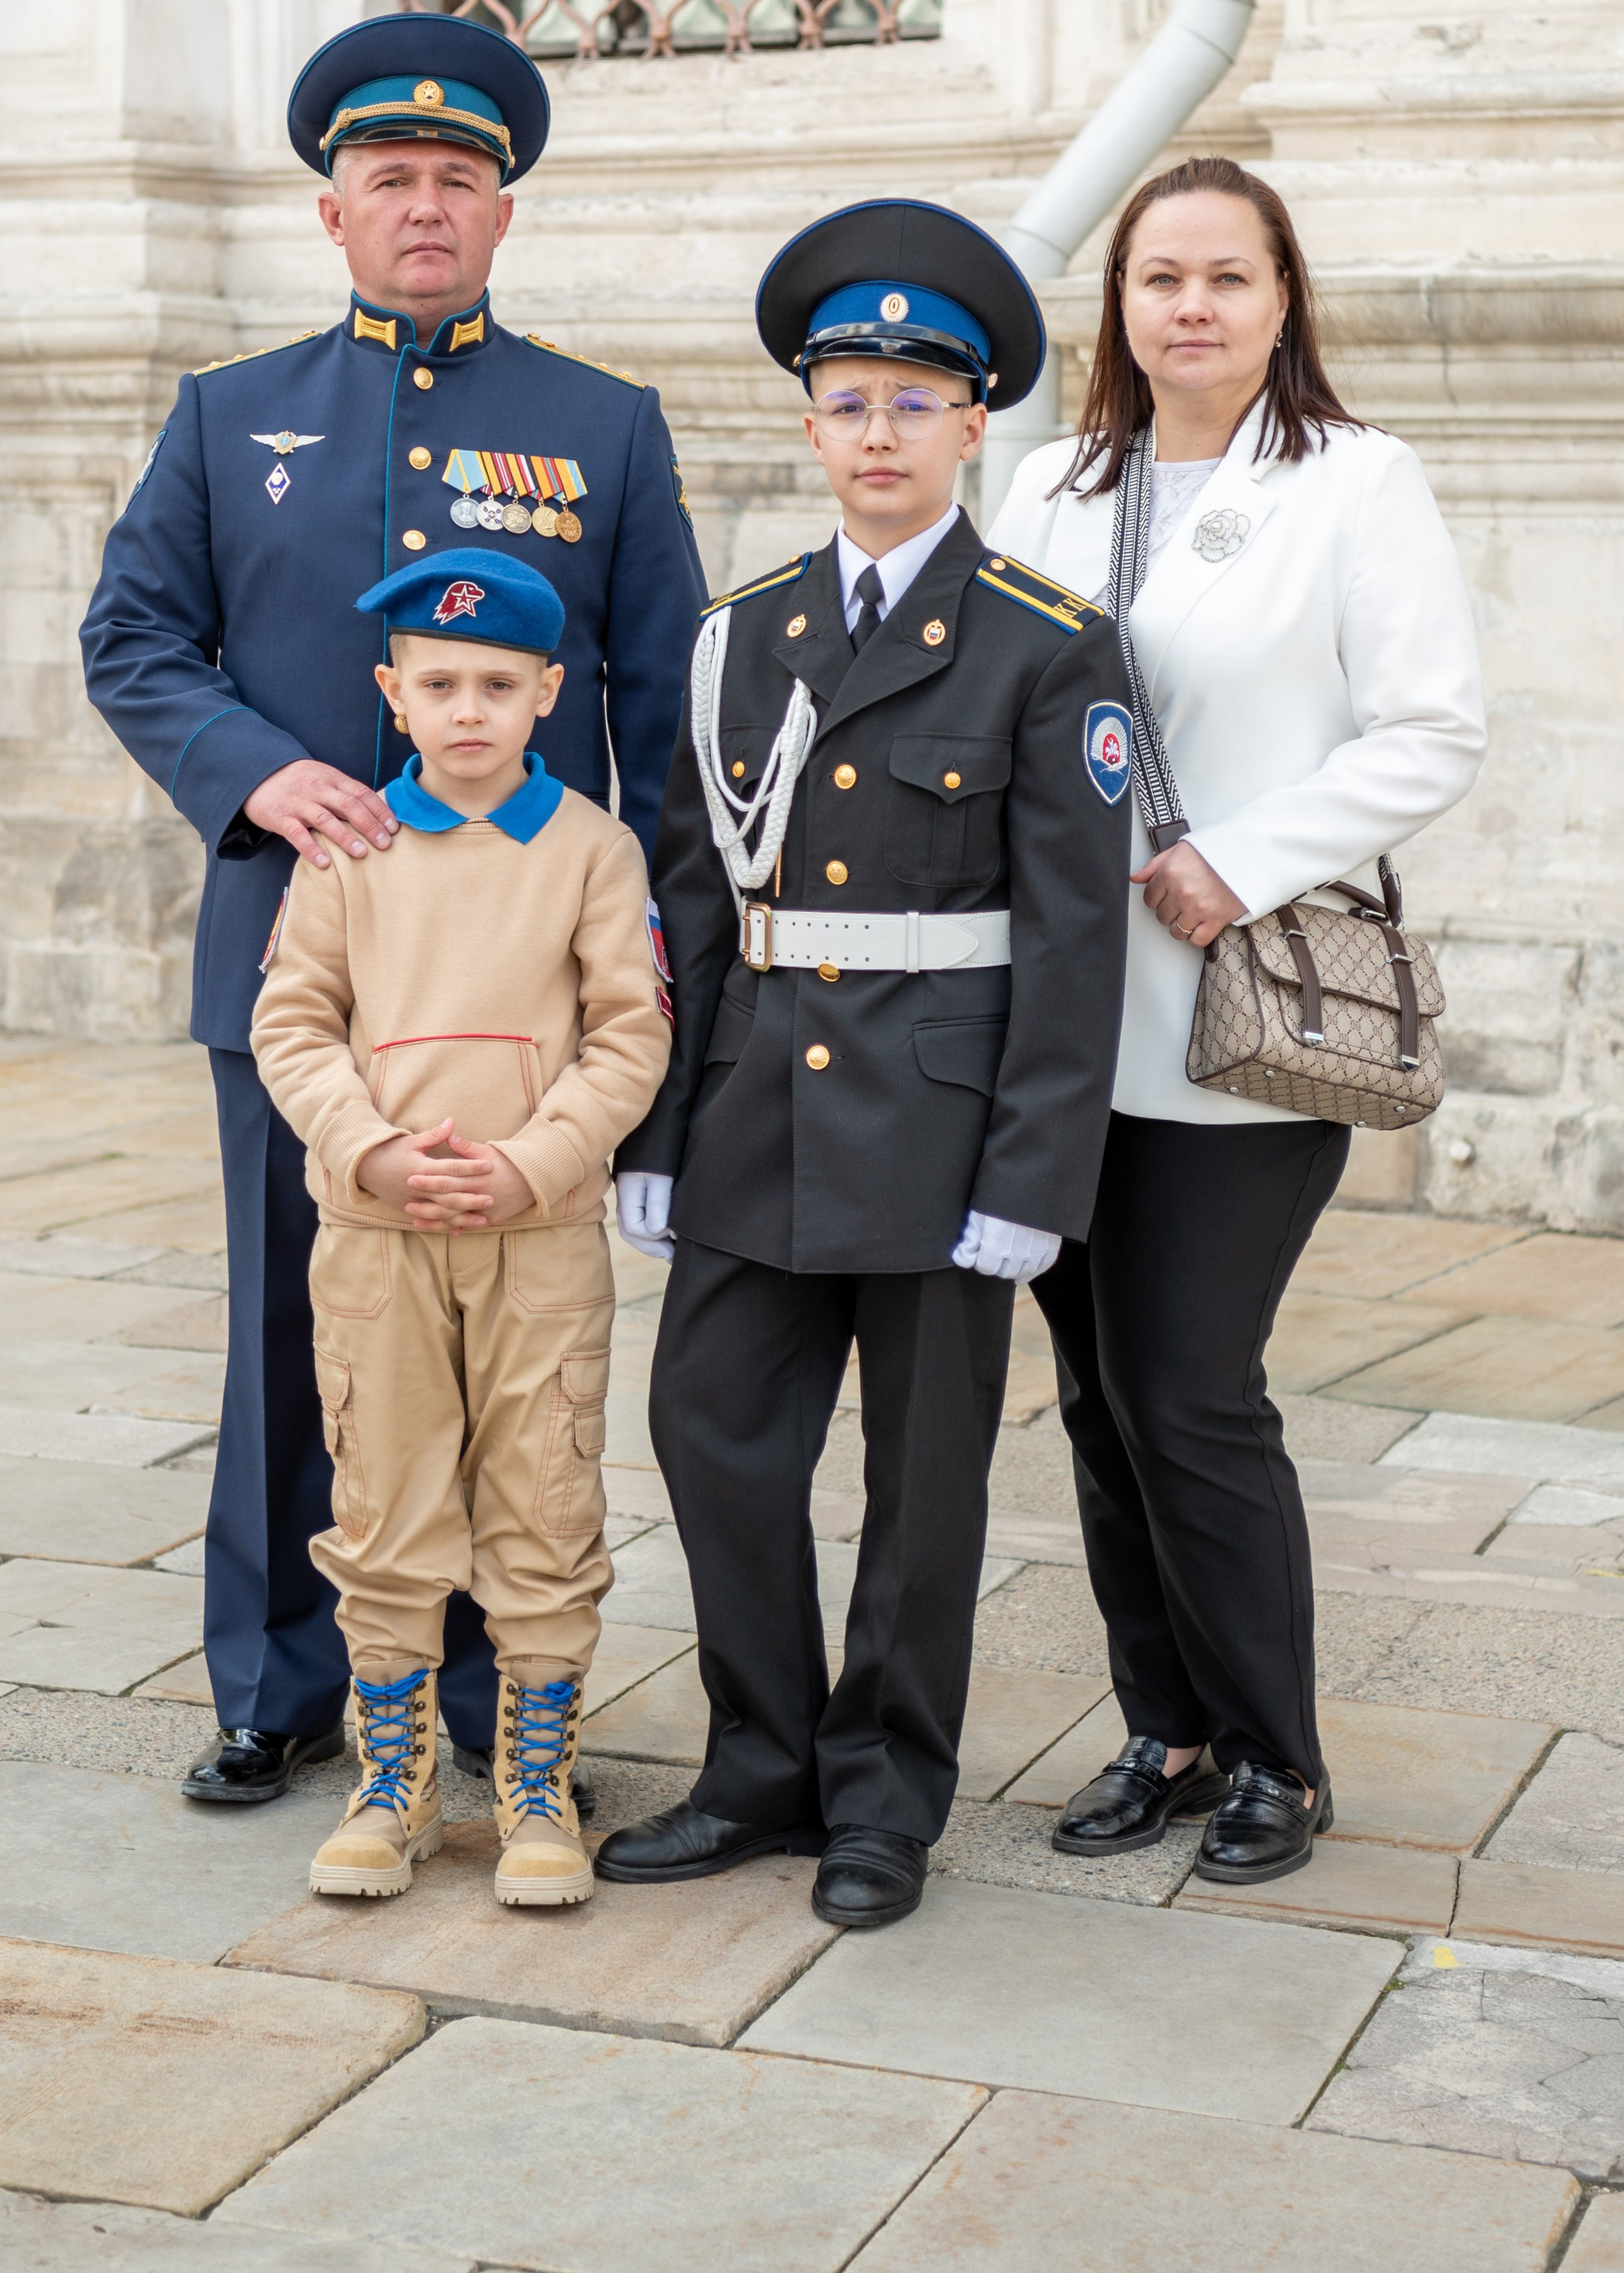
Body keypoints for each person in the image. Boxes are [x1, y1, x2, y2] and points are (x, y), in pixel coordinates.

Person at [81, 14, 705, 1809]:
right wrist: (255, 772)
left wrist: (652, 970)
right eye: (389, 179)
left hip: (521, 1001)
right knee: (298, 1334)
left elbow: (662, 711)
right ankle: (281, 1681)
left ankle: (497, 1693)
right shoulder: (230, 417)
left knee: (506, 1354)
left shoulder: (600, 426)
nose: (423, 206)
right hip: (299, 968)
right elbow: (133, 636)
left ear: (500, 213)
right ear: (333, 212)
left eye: (454, 180)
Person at [594, 198, 1135, 1933]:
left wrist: (1034, 1177)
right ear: (811, 425)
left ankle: (885, 1795)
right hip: (755, 1107)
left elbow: (1076, 940)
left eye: (914, 401)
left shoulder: (1045, 639)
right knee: (709, 1433)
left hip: (940, 1130)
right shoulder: (741, 634)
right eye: (848, 402)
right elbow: (694, 899)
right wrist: (655, 1133)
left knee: (924, 1485)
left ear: (974, 424)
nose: (878, 432)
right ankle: (758, 1765)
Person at [986, 153, 1486, 1886]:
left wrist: (1240, 860)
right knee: (1094, 1399)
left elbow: (1431, 729)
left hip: (1236, 1011)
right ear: (1116, 304)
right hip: (1058, 1021)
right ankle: (1167, 1728)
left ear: (1282, 302)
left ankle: (1277, 1751)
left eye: (1226, 276)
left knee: (1189, 1388)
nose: (1189, 306)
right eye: (1159, 277)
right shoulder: (1051, 484)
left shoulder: (1353, 482)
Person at [249, 548, 669, 1905]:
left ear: (550, 690)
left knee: (544, 1495)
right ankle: (397, 1784)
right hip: (376, 1239)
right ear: (395, 693)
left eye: (498, 683)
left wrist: (535, 1164)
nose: (469, 709)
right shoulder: (351, 848)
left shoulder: (593, 850)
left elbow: (631, 1034)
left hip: (536, 1240)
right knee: (382, 1498)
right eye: (440, 684)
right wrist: (371, 1152)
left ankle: (536, 1788)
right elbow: (292, 1025)